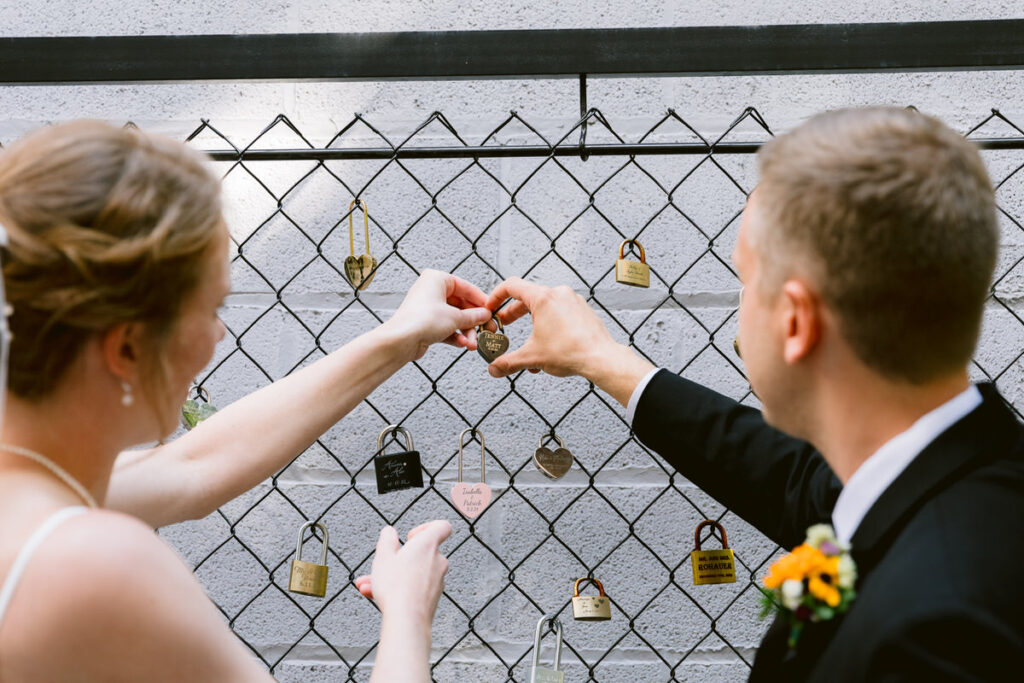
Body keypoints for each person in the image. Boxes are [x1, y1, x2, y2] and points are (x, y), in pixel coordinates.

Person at [484, 107, 1024, 680]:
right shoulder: (969, 477)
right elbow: (790, 478)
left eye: (744, 279)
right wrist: (603, 360)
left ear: (794, 321)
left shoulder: (935, 639)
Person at [0, 120, 494, 681]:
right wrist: (407, 614)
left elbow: (197, 466)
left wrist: (399, 337)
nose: (219, 337)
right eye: (211, 308)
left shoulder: (32, 489)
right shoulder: (102, 567)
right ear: (128, 345)